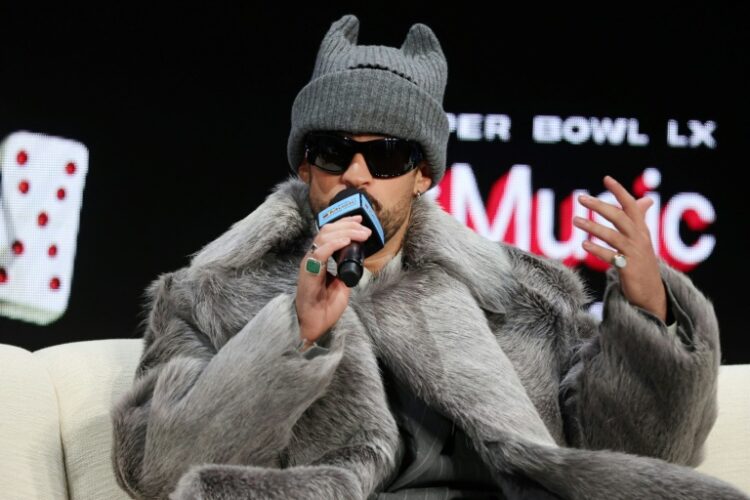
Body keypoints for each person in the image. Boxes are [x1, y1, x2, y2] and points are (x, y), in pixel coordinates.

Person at [110, 14, 747, 500]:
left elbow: (643, 452)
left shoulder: (521, 296)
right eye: (334, 152)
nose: (357, 174)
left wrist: (648, 308)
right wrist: (291, 334)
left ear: (422, 176)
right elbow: (155, 471)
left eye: (386, 155)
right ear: (306, 166)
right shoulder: (211, 291)